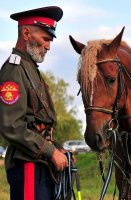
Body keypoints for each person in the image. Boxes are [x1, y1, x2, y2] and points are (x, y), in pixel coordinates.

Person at [0, 6, 69, 200]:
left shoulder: (29, 68)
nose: (48, 46)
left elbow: (39, 122)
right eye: (45, 39)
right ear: (26, 33)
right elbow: (12, 125)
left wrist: (56, 147)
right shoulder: (14, 70)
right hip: (28, 167)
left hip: (39, 164)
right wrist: (50, 152)